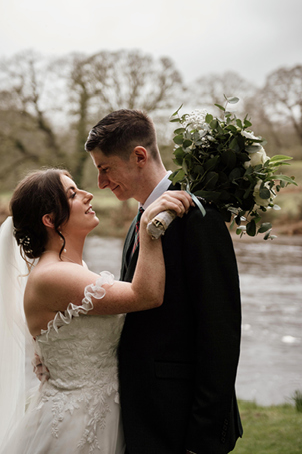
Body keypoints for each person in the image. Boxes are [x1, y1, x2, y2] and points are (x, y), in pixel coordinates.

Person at [0, 168, 194, 453]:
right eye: (73, 194)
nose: (89, 195)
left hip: (104, 413)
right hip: (75, 424)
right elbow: (145, 295)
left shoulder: (75, 271)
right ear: (50, 220)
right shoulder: (54, 276)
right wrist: (148, 226)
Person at [85, 109, 243, 454]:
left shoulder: (198, 217)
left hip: (182, 420)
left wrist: (204, 437)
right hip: (144, 416)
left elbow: (221, 330)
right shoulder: (139, 221)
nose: (101, 183)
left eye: (105, 168)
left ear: (139, 156)